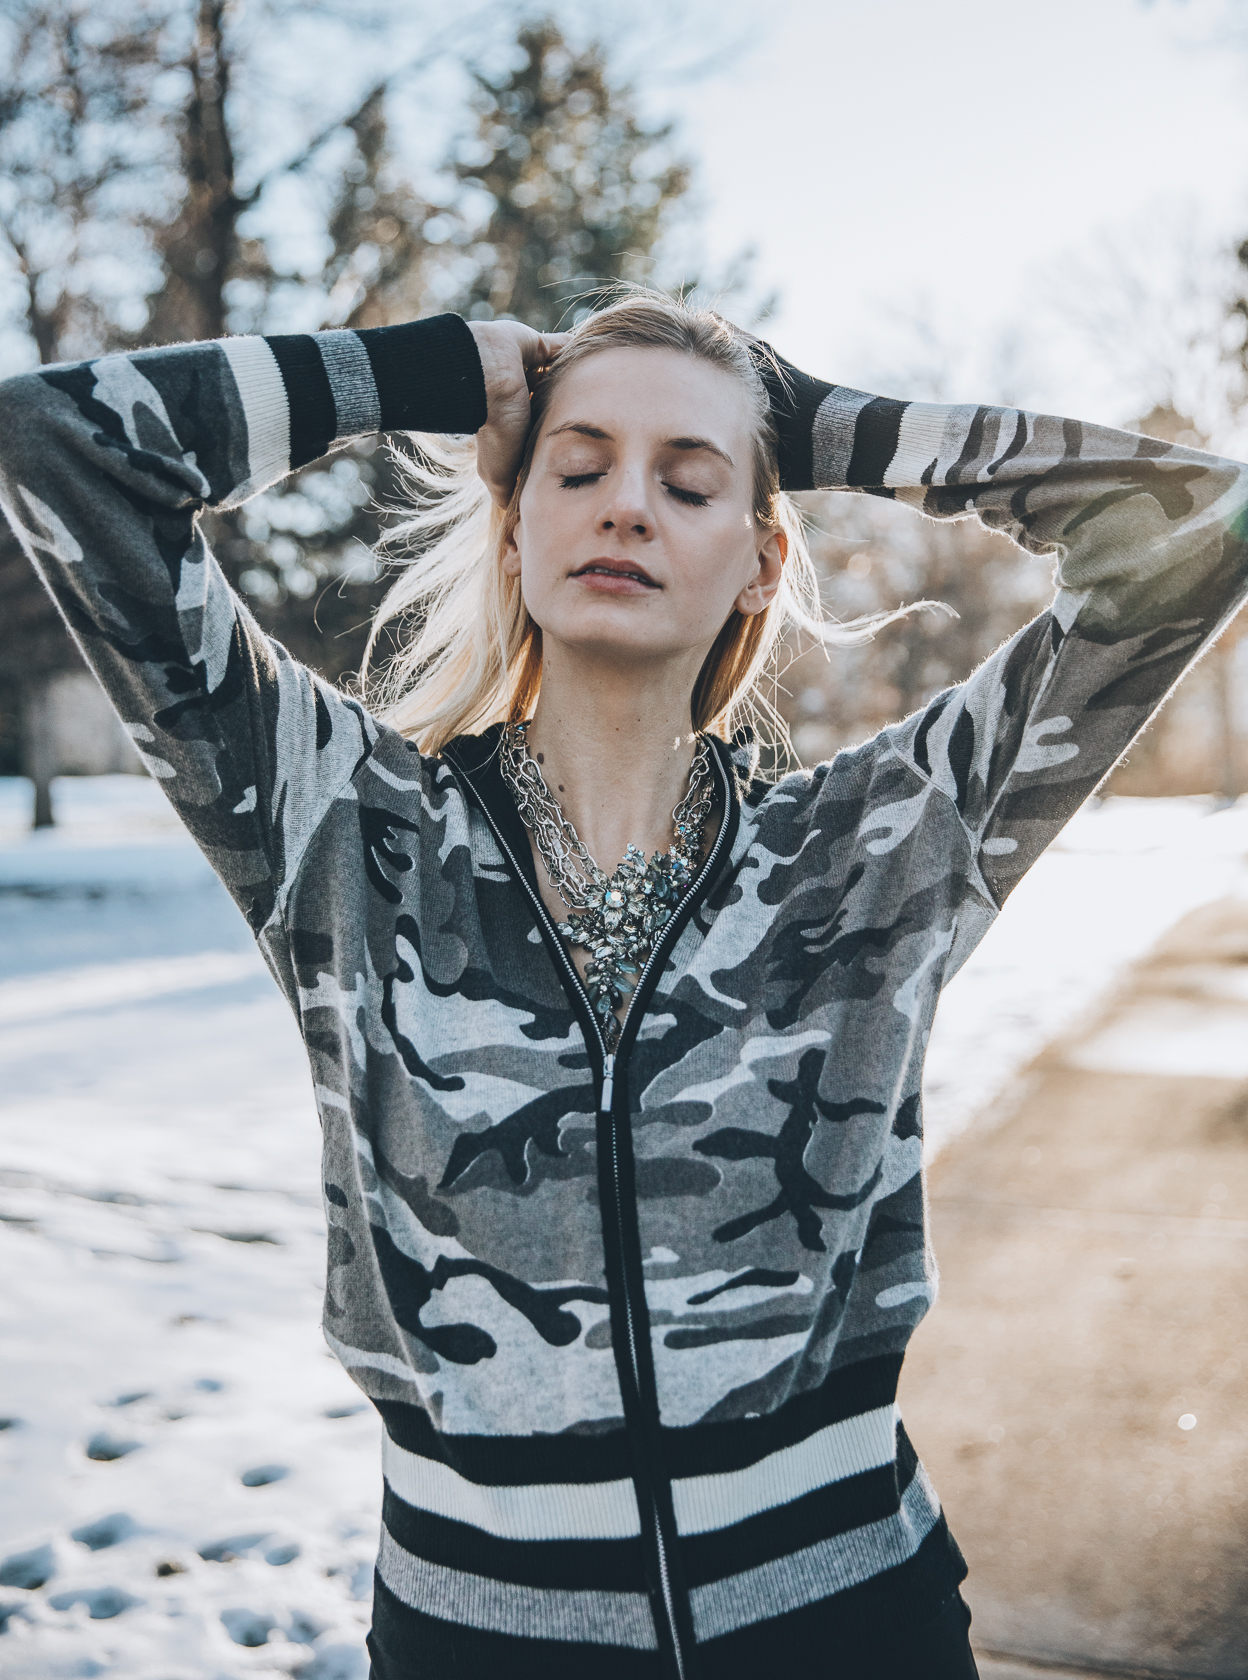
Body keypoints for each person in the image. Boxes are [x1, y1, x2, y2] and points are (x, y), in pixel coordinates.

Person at [2, 292, 1245, 1680]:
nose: (628, 508)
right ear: (515, 527)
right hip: (479, 1641)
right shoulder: (342, 832)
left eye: (691, 479)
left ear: (764, 561)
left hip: (849, 1627)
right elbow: (59, 445)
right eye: (578, 468)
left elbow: (1197, 527)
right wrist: (411, 373)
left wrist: (830, 428)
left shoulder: (878, 848)